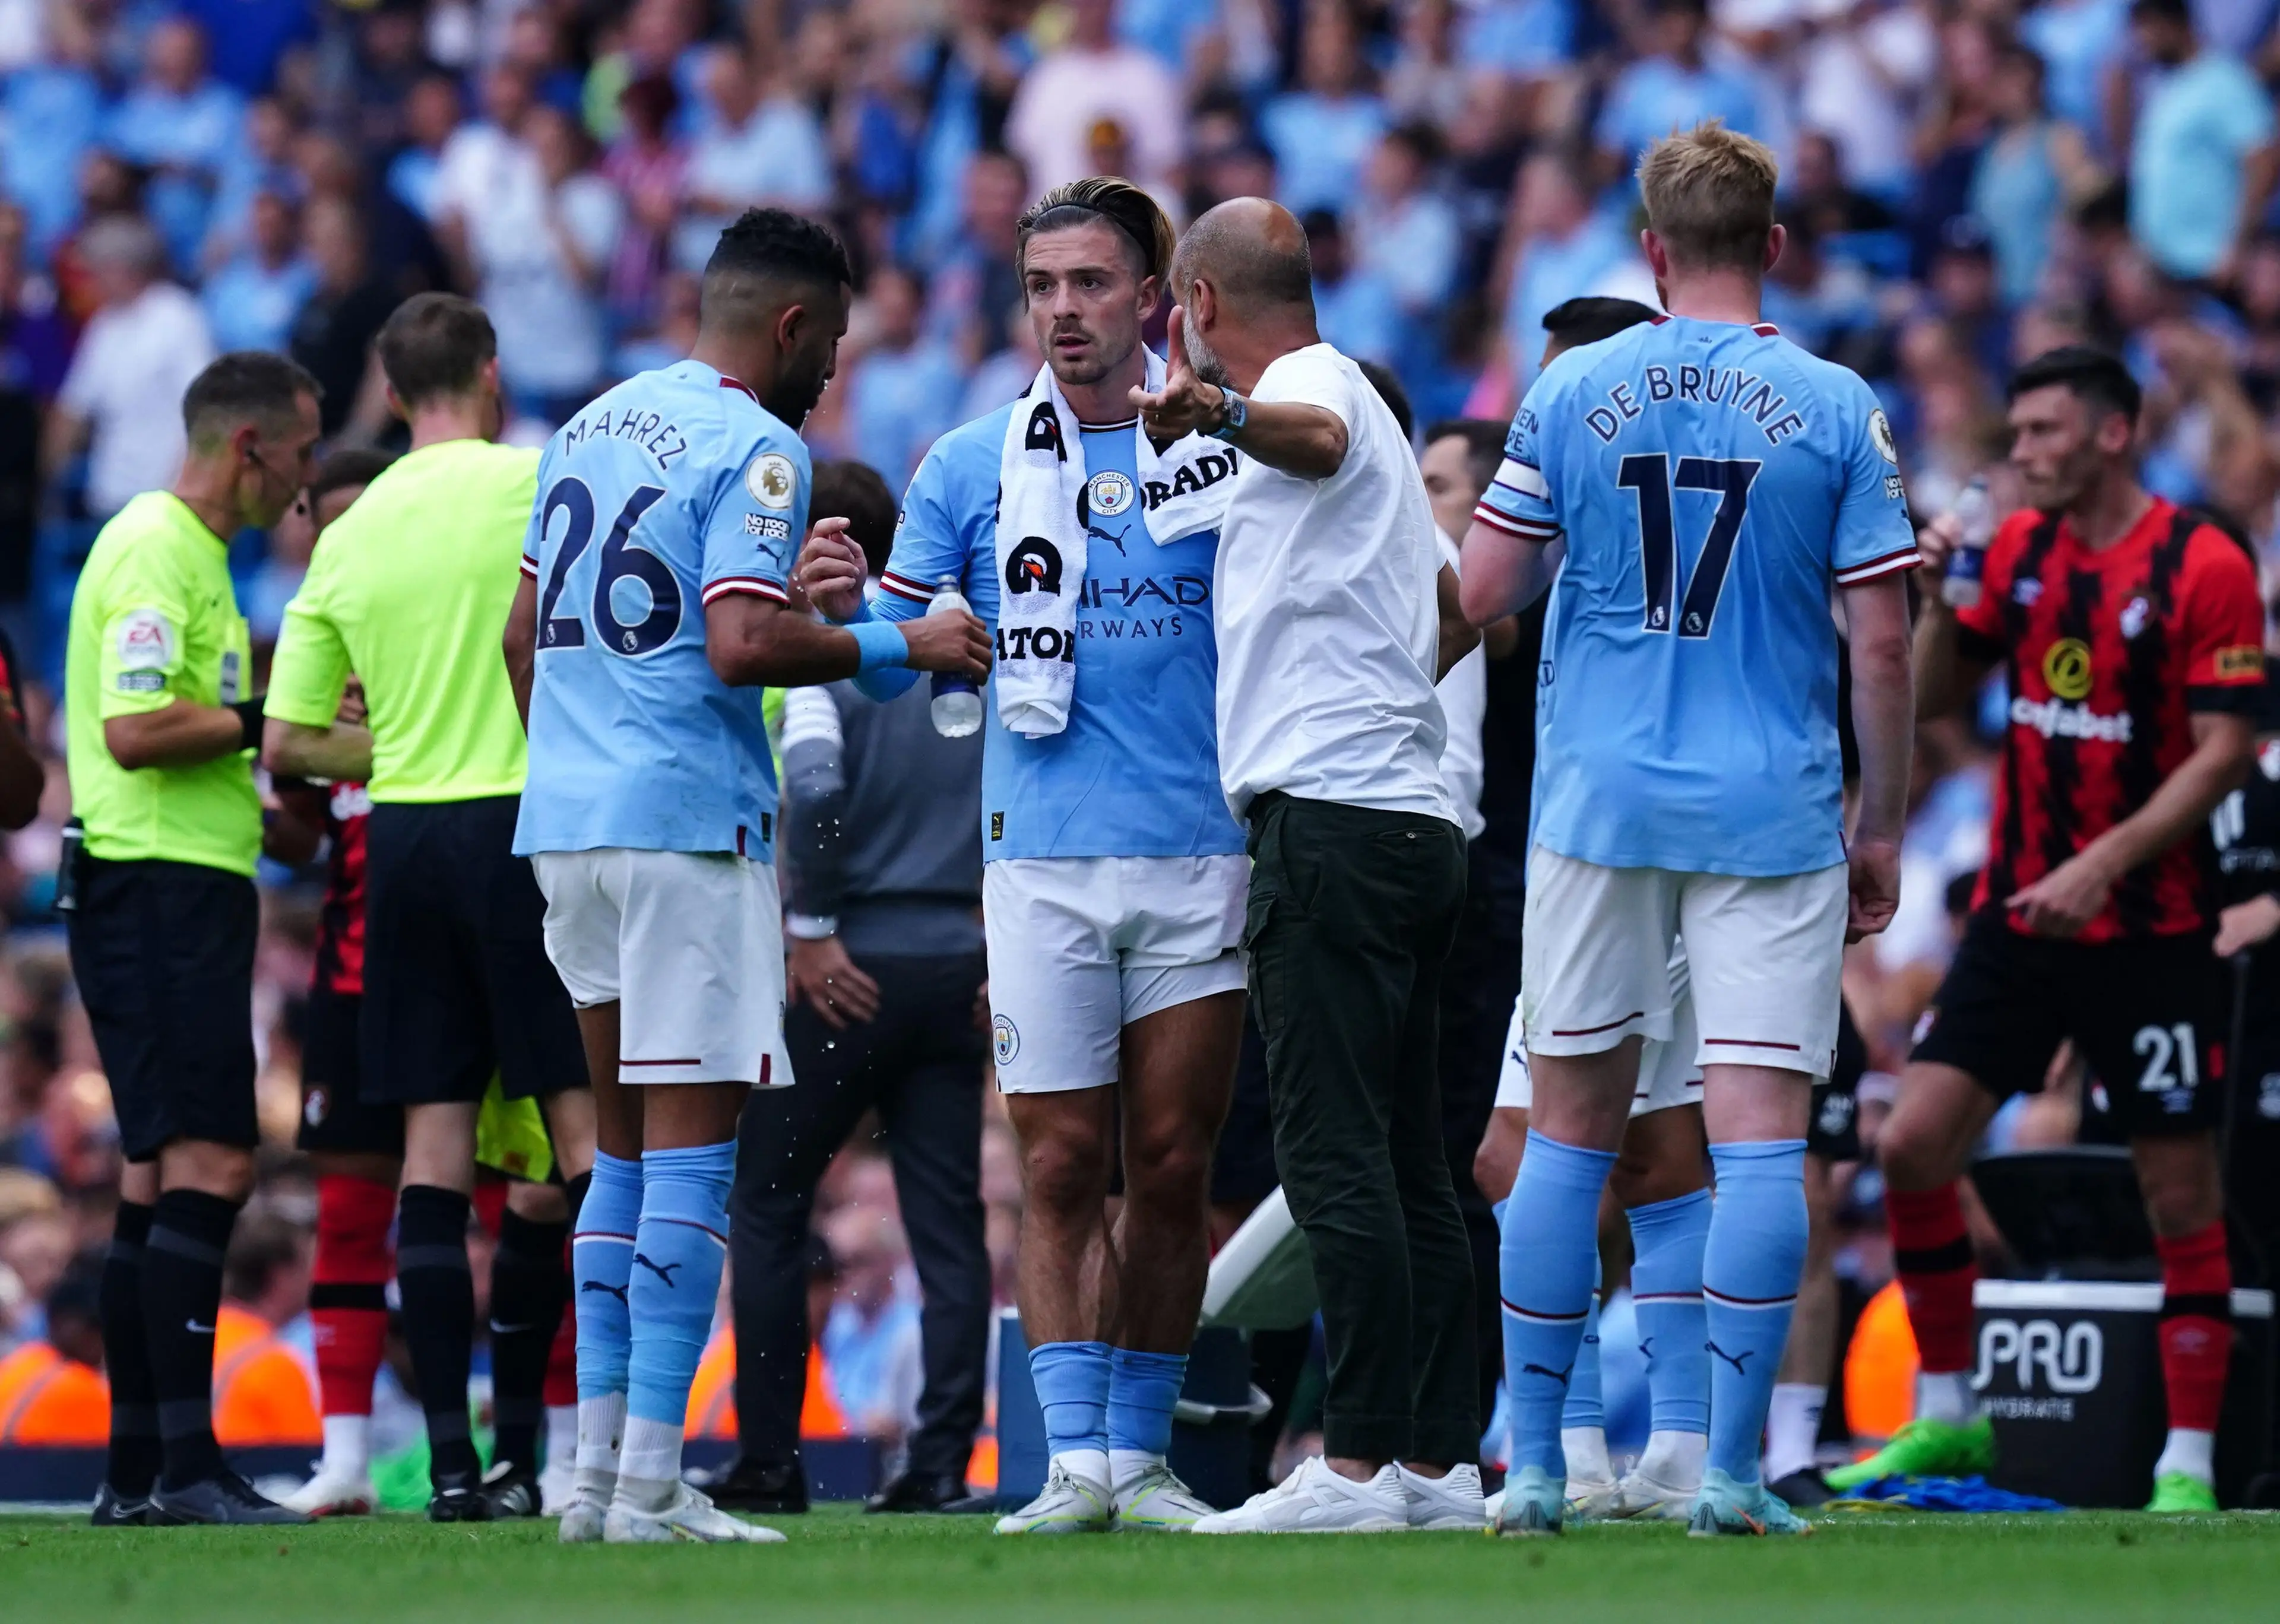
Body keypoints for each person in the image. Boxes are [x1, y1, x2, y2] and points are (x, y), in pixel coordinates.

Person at [1460, 121, 1918, 1537]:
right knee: (1762, 1141)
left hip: (1595, 801)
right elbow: (1886, 642)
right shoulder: (1838, 403)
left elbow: (1481, 588)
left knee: (1567, 1140)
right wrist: (1881, 822)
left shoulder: (1570, 387)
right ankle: (1725, 1475)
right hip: (1771, 806)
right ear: (1773, 246)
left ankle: (1536, 1469)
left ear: (1652, 251)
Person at [508, 205, 983, 1546]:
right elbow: (735, 649)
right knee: (694, 1164)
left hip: (570, 827)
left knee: (614, 1152)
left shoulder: (584, 428)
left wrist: (582, 755)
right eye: (828, 341)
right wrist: (907, 646)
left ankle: (593, 1480)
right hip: (682, 827)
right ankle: (657, 1481)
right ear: (788, 326)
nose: (832, 369)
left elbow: (520, 635)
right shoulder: (762, 449)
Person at [796, 176, 1249, 1537]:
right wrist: (845, 617)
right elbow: (897, 667)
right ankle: (1070, 1468)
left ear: (1155, 299)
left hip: (1199, 851)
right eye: (1043, 285)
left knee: (1172, 1169)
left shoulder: (1222, 454)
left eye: (1092, 283)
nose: (1064, 309)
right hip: (1041, 858)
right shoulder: (963, 465)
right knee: (1057, 1168)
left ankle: (1140, 1458)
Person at [1832, 346, 2263, 1514]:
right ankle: (1952, 1418)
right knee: (1913, 1144)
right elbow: (1932, 697)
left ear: (2112, 434)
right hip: (2023, 922)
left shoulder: (2201, 563)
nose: (2019, 453)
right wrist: (1928, 596)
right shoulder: (2015, 552)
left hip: (2153, 926)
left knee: (2179, 1196)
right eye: (2015, 433)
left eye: (2041, 432)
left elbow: (2228, 751)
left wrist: (2104, 864)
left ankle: (2185, 1465)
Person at [1123, 195, 1481, 1535]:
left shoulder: (1317, 393)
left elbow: (1309, 435)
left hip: (1329, 820)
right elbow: (1456, 614)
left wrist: (1209, 413)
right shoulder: (1386, 426)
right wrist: (1384, 699)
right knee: (1405, 1161)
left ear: (1199, 306)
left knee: (1336, 1155)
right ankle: (1438, 1467)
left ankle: (1354, 1467)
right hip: (1406, 817)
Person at [261, 294, 594, 1522]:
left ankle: (452, 1469)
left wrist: (394, 749)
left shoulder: (349, 529)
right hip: (527, 822)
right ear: (493, 376)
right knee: (581, 1142)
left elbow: (292, 736)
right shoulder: (542, 477)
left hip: (403, 843)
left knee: (433, 1159)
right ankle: (592, 1458)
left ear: (392, 396)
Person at [64, 349, 321, 1527]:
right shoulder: (158, 549)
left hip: (181, 878)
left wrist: (268, 815)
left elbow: (185, 736)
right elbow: (133, 728)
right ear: (250, 447)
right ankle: (184, 1470)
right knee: (213, 1164)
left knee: (155, 1177)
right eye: (305, 454)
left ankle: (133, 1473)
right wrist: (272, 727)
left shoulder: (192, 558)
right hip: (157, 892)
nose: (308, 483)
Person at [715, 459, 992, 1518]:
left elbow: (818, 788)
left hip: (849, 965)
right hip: (956, 958)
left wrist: (813, 928)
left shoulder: (837, 652)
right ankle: (938, 1466)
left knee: (770, 1202)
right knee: (948, 1219)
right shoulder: (966, 653)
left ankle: (770, 1460)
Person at [258, 449, 397, 1518]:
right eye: (328, 526)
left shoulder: (440, 640)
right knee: (351, 1211)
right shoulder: (302, 655)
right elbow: (305, 835)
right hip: (351, 968)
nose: (341, 545)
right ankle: (344, 1460)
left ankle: (536, 1449)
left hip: (473, 955)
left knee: (514, 1202)